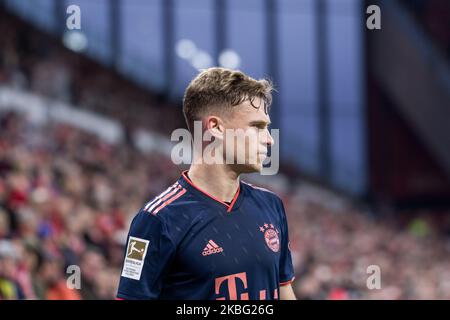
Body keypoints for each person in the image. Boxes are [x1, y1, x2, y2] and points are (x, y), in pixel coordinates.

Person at [117, 68, 296, 300]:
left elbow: (284, 291)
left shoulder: (271, 206)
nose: (269, 139)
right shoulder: (158, 219)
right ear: (216, 127)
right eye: (257, 127)